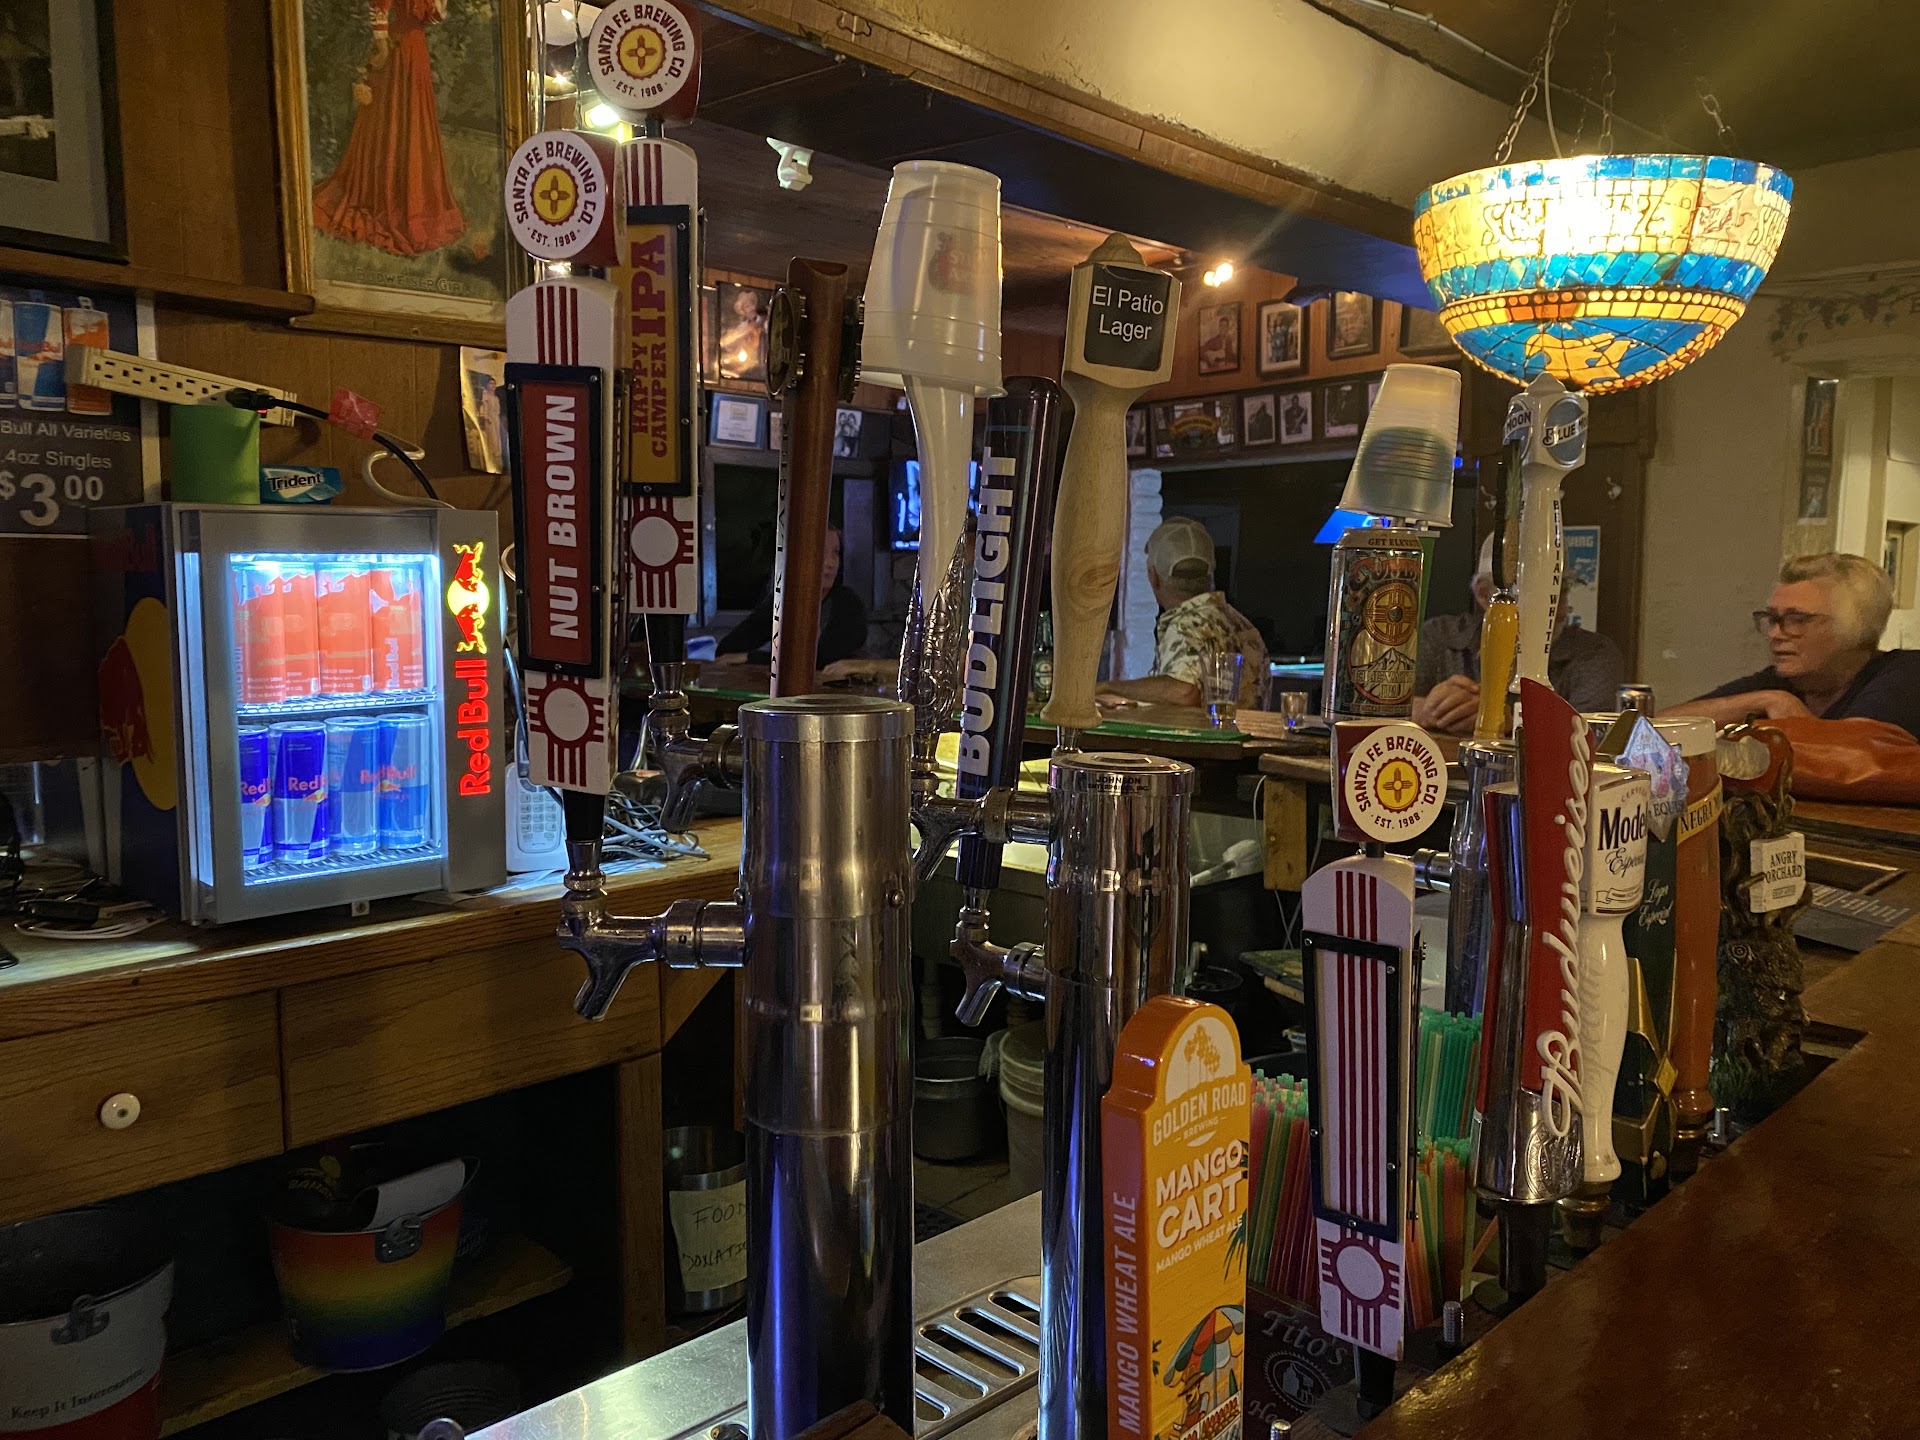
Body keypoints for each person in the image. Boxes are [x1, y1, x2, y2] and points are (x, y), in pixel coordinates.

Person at [1665, 552, 1920, 735]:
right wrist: (1770, 700)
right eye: (1772, 618)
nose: (1775, 633)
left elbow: (1849, 756)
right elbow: (1657, 728)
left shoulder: (1906, 674)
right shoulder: (1785, 682)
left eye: (1797, 619)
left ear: (1855, 628)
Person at [1412, 533, 1624, 734]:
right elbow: (1396, 706)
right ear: (1484, 594)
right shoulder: (1438, 636)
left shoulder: (1594, 654)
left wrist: (1506, 720)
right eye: (1534, 594)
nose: (1557, 610)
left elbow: (1589, 735)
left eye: (1562, 591)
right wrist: (1428, 711)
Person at [313, 0, 467, 259]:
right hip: (396, 51)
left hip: (416, 54)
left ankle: (411, 202)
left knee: (413, 124)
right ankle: (382, 199)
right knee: (389, 122)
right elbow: (380, 5)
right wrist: (382, 43)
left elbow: (433, 17)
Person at [1097, 516, 1268, 708]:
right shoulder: (1243, 625)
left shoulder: (1187, 624)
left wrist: (1107, 687)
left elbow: (1184, 692)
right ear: (1210, 573)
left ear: (1154, 578)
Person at [716, 526, 869, 668]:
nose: (831, 563)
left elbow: (819, 660)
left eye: (835, 552)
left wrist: (752, 658)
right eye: (821, 552)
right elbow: (728, 649)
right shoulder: (786, 599)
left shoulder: (849, 605)